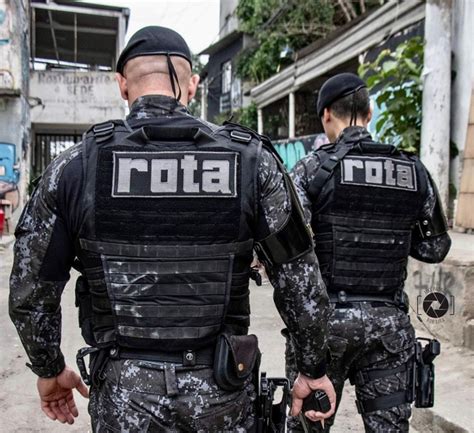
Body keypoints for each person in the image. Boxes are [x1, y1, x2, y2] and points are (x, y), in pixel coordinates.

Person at [9, 26, 336, 432]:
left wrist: (49, 368)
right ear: (192, 85)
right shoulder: (252, 162)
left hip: (124, 395)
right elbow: (301, 281)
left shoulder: (75, 168)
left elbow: (30, 292)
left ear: (122, 85)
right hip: (223, 391)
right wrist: (313, 369)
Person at [286, 73, 451, 432]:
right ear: (370, 112)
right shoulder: (413, 170)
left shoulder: (311, 170)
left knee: (308, 426)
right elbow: (435, 247)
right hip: (388, 327)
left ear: (326, 114)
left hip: (325, 327)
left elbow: (291, 252)